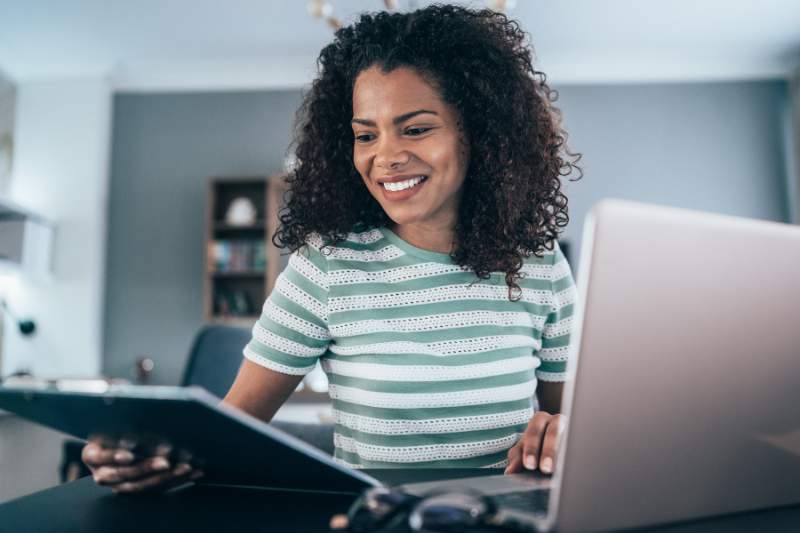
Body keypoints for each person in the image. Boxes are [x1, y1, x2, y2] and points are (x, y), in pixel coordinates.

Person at [82, 4, 581, 493]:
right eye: (366, 135)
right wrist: (149, 455)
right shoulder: (326, 266)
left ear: (480, 135)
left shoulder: (538, 263)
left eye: (416, 128)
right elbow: (229, 431)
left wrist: (561, 436)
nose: (385, 156)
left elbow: (573, 422)